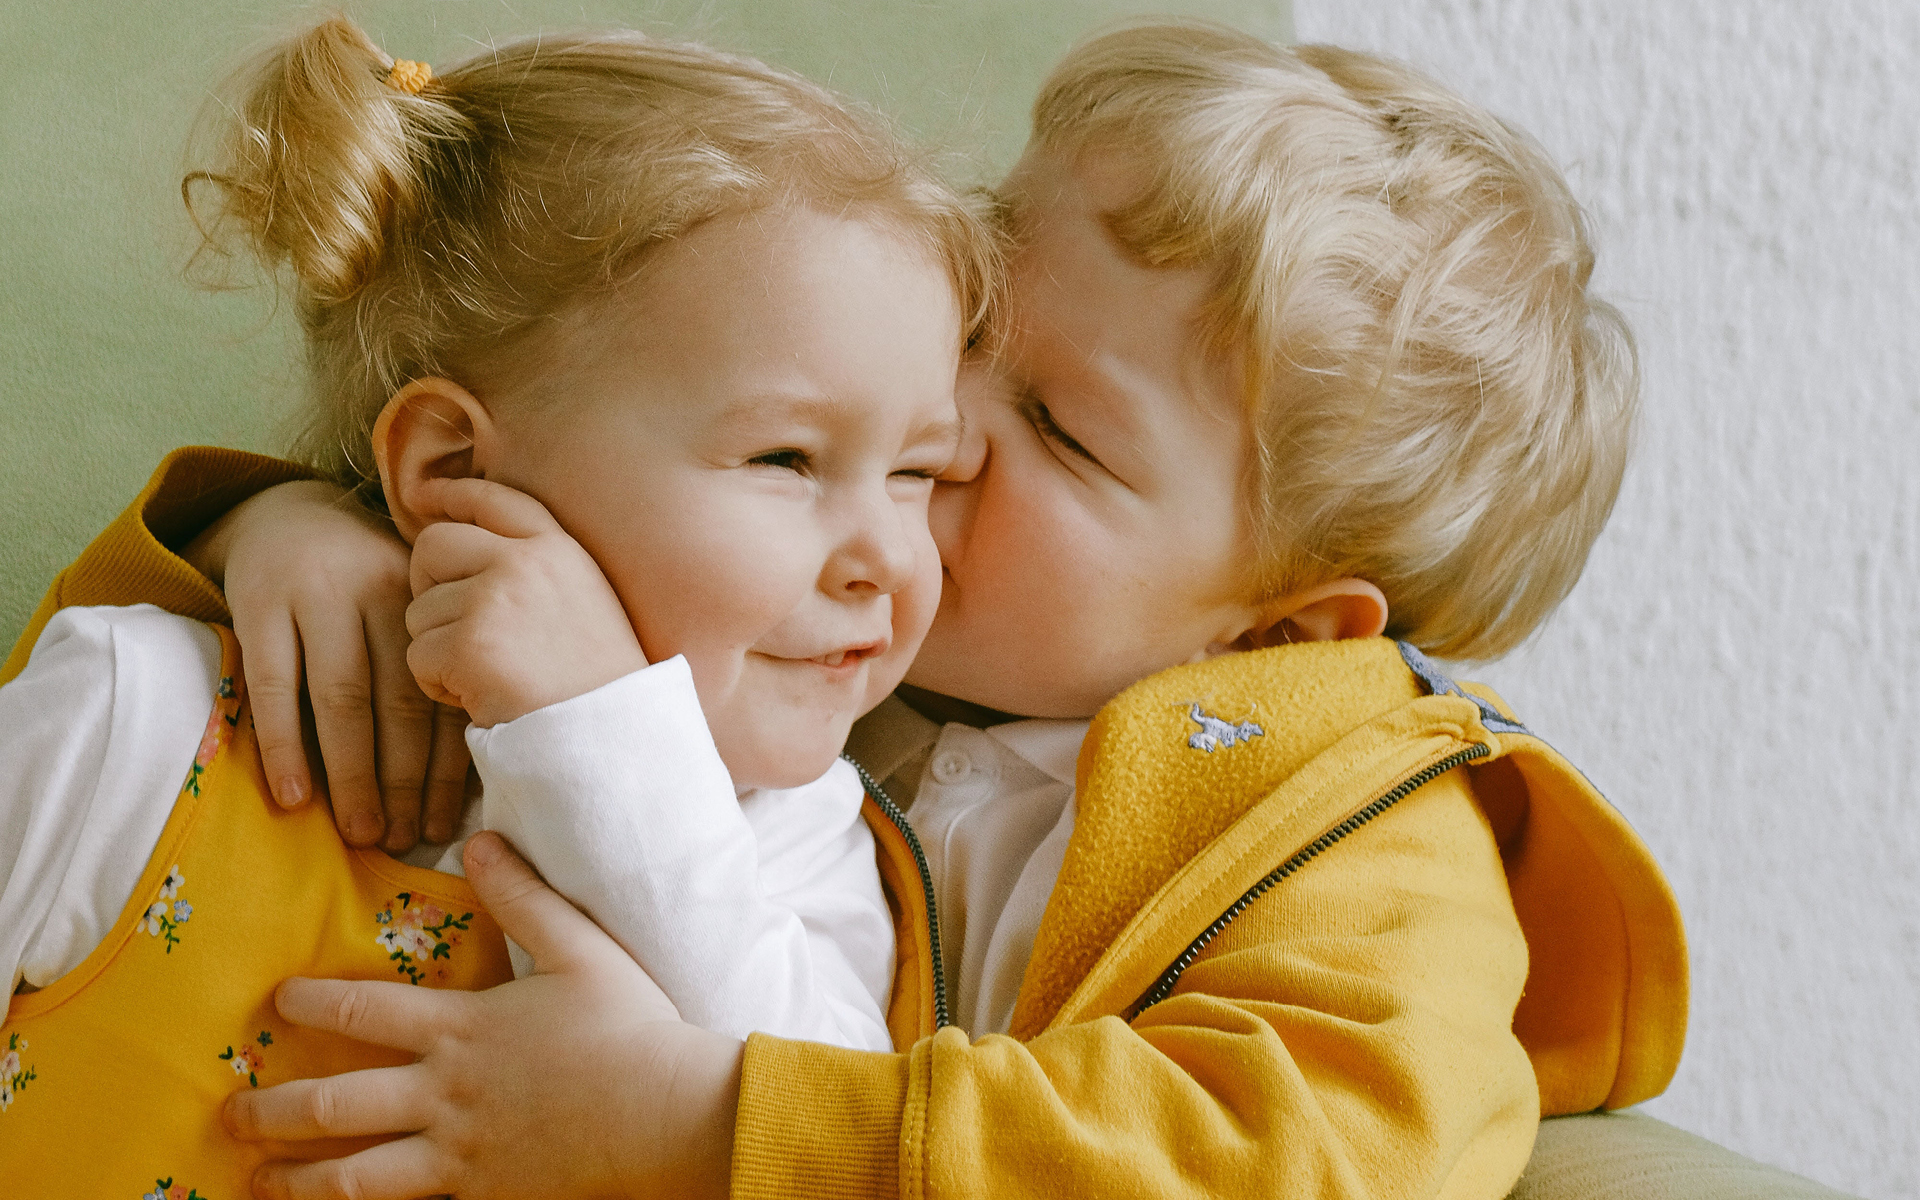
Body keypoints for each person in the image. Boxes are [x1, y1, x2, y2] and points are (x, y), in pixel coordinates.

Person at [3, 21, 1689, 1200]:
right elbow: (604, 436)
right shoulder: (861, 643)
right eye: (976, 318)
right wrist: (301, 524)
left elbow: (1297, 1165)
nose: (940, 418)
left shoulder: (1370, 855)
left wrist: (708, 1127)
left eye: (1060, 429)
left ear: (1276, 636)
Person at [0, 14, 1000, 1191]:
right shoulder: (139, 716)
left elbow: (809, 1149)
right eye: (785, 458)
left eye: (918, 472)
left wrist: (605, 732)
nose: (888, 556)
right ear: (454, 470)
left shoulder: (804, 844)